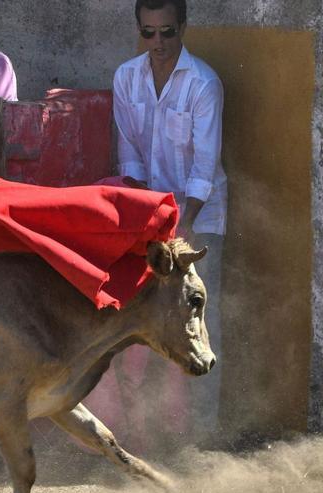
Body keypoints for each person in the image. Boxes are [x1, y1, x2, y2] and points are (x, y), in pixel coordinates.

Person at [112, 0, 227, 436]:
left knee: (197, 323)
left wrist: (183, 229)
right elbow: (130, 157)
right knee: (149, 324)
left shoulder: (203, 83)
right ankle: (150, 432)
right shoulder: (126, 76)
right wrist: (148, 222)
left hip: (200, 219)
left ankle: (202, 437)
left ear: (182, 28)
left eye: (167, 32)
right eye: (148, 33)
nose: (158, 42)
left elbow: (204, 171)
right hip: (153, 223)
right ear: (140, 31)